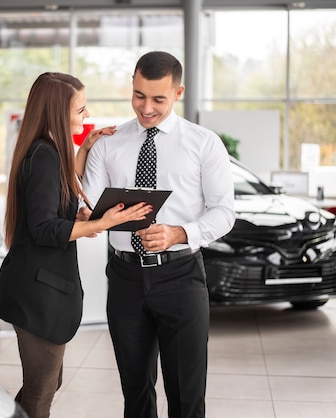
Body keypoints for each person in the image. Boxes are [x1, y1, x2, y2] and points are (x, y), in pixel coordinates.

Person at [82, 51, 236, 418]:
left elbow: (225, 212)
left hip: (180, 276)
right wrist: (89, 213)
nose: (145, 107)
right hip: (124, 277)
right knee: (135, 394)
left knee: (186, 395)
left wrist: (181, 232)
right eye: (138, 95)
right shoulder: (108, 142)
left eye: (158, 99)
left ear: (178, 92)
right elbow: (86, 206)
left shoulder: (203, 143)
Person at [0, 72, 152, 418]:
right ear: (57, 111)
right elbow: (44, 229)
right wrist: (103, 222)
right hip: (37, 291)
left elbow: (54, 202)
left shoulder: (44, 151)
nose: (85, 114)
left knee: (47, 384)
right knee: (41, 391)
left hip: (36, 287)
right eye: (80, 109)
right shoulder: (44, 155)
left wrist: (83, 151)